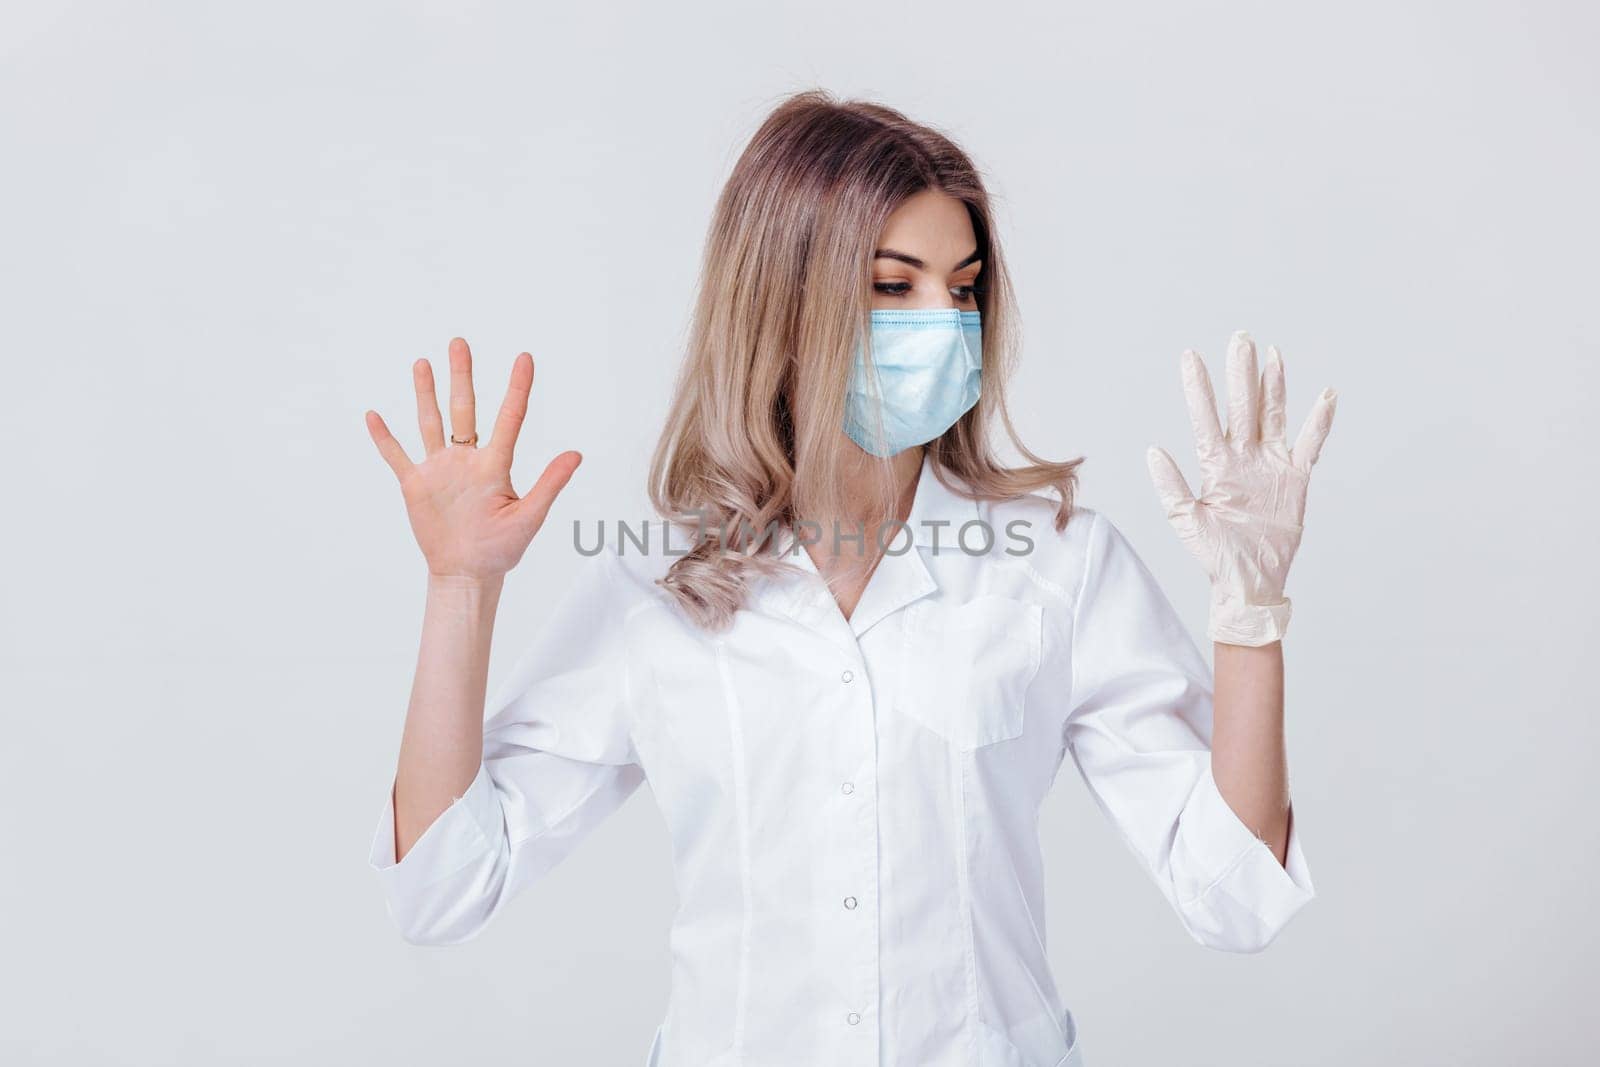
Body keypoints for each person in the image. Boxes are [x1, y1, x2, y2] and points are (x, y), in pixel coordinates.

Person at [361, 90, 1337, 1067]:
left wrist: (1249, 614)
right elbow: (446, 886)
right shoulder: (656, 589)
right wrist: (460, 588)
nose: (944, 322)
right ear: (785, 305)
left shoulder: (1056, 566)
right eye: (892, 285)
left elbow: (1233, 894)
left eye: (962, 289)